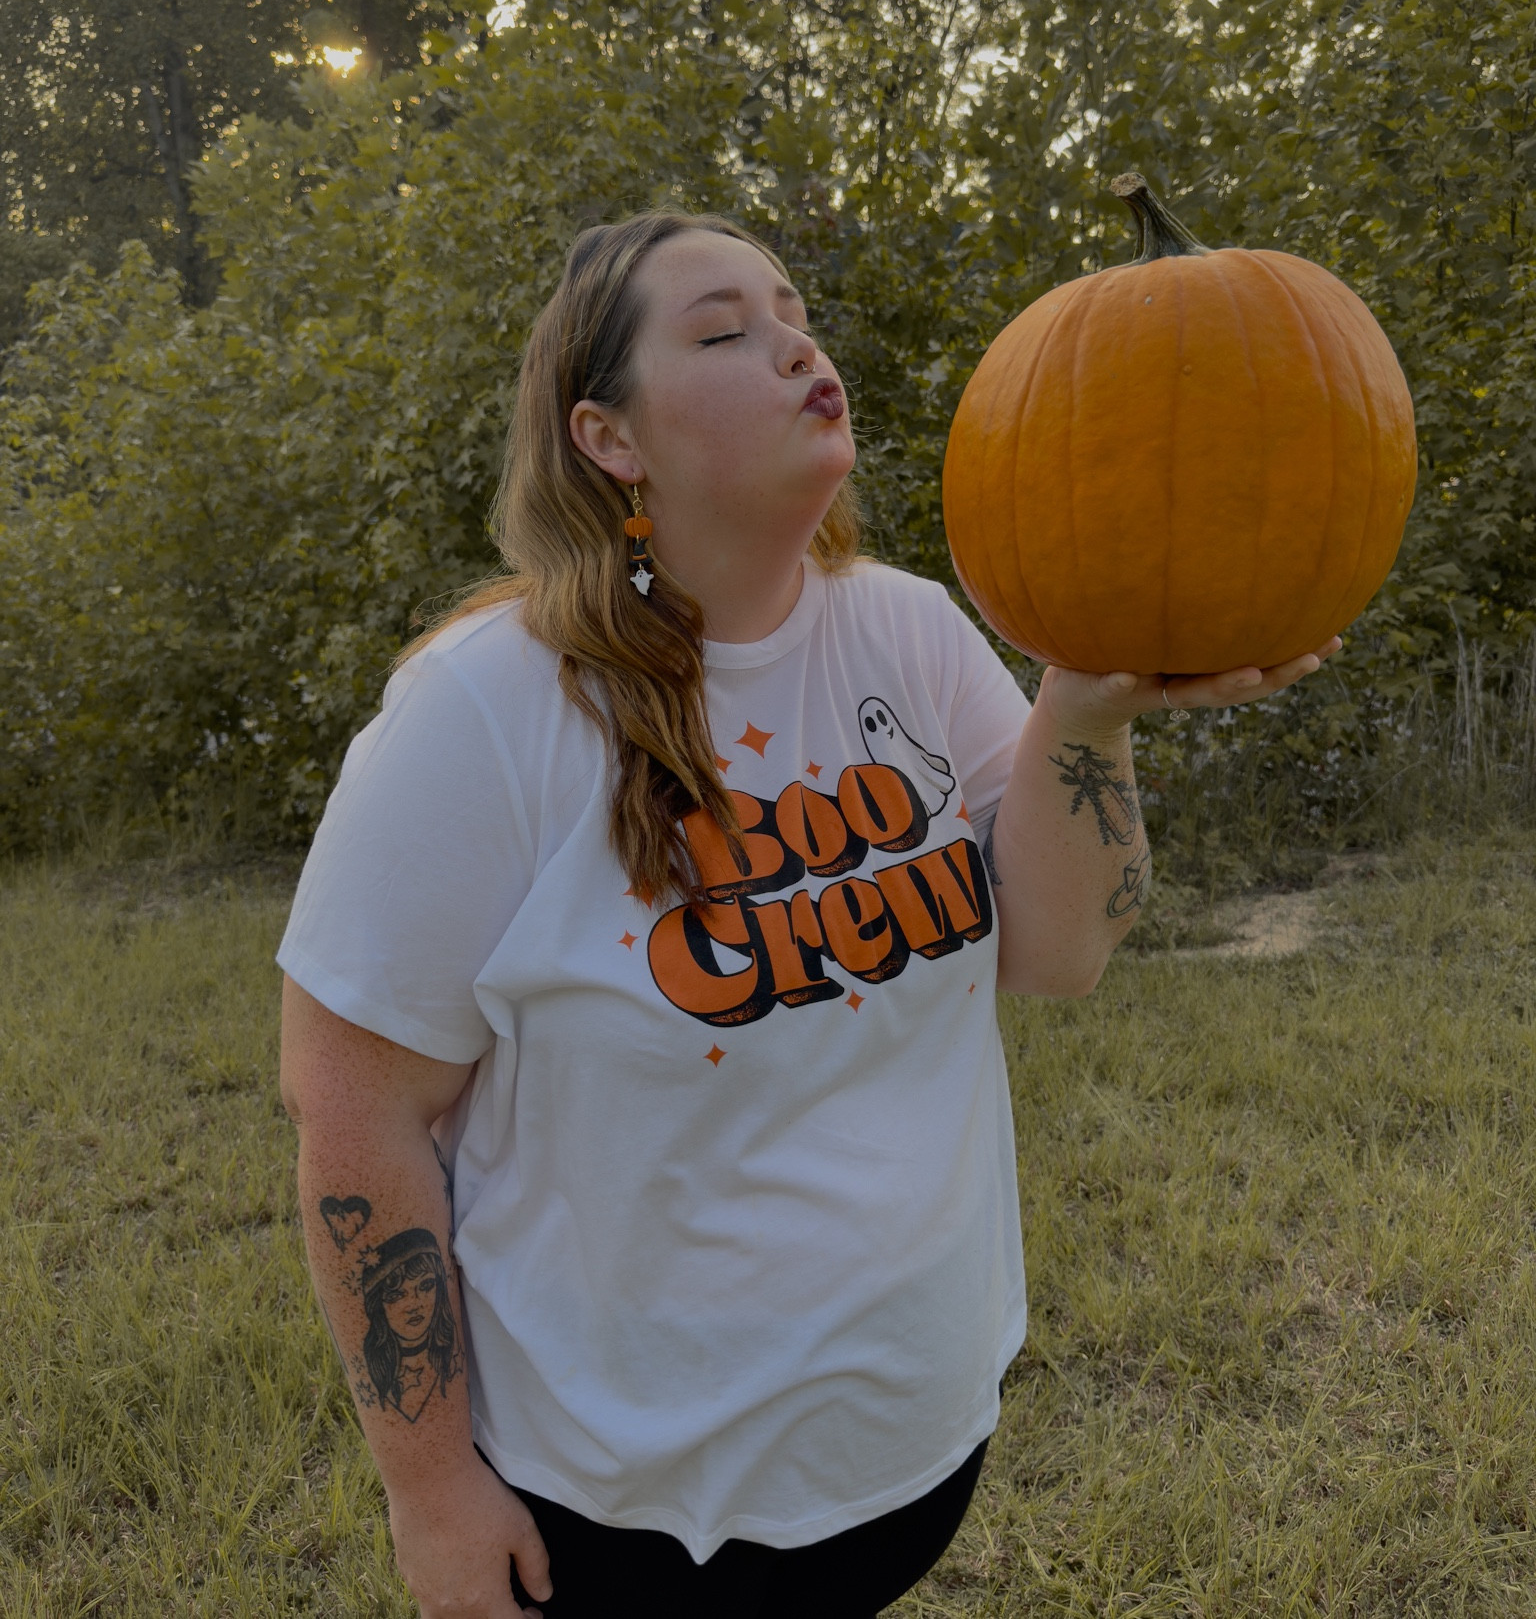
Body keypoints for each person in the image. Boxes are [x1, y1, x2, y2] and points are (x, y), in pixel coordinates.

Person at [278, 211, 1339, 1618]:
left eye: (791, 312)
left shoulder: (904, 629)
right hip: (625, 1504)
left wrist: (1084, 705)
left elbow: (1063, 949)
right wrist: (429, 1489)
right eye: (723, 330)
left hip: (906, 1449)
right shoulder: (488, 711)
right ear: (610, 438)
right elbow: (353, 1104)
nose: (793, 342)